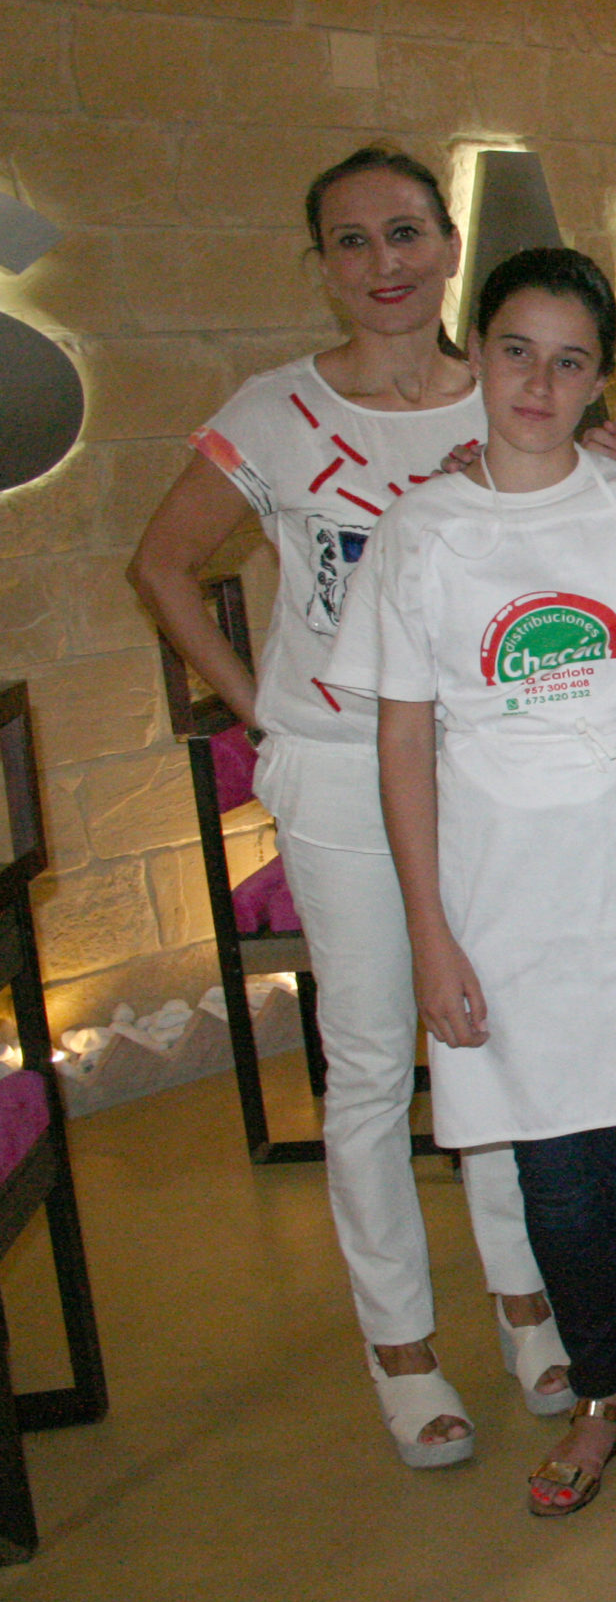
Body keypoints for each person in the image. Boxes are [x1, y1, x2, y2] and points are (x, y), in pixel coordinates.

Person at [129, 145, 568, 1470]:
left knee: (493, 1034)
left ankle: (526, 1300)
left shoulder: (506, 394)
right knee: (374, 1055)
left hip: (486, 763)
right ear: (321, 265)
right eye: (352, 241)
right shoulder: (269, 412)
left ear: (448, 245)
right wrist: (260, 708)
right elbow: (158, 561)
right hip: (331, 765)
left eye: (406, 234)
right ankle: (400, 1340)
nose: (384, 264)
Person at [326, 246, 616, 1537]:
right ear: (481, 355)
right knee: (552, 1170)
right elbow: (404, 744)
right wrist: (430, 935)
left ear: (597, 379)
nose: (538, 381)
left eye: (571, 360)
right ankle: (596, 1398)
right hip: (499, 900)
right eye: (516, 350)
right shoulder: (424, 528)